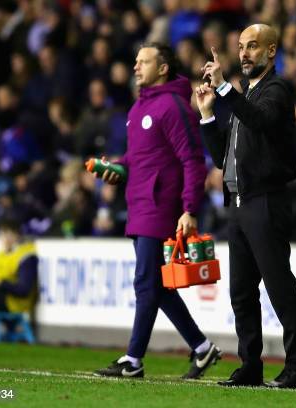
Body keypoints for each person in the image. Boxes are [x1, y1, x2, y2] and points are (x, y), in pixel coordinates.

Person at [94, 42, 221, 380]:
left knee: (145, 282)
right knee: (158, 286)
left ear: (163, 68)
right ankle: (202, 348)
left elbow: (193, 160)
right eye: (135, 61)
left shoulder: (174, 106)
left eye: (143, 61)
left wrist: (190, 208)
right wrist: (117, 167)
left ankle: (133, 360)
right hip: (138, 204)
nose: (136, 67)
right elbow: (138, 159)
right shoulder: (138, 109)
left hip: (161, 207)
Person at [194, 24, 296, 389]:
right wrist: (208, 115)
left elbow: (260, 121)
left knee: (279, 288)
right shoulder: (245, 98)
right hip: (239, 206)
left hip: (265, 202)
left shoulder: (275, 91)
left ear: (272, 51)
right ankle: (250, 366)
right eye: (241, 46)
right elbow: (220, 160)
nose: (244, 53)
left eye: (252, 47)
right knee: (241, 293)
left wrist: (226, 88)